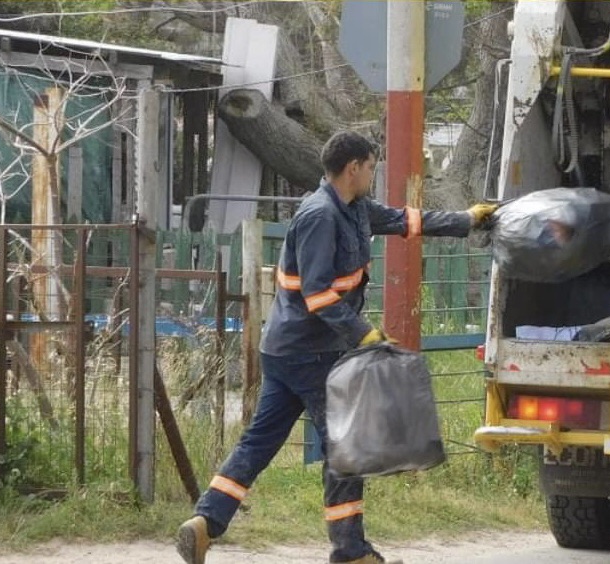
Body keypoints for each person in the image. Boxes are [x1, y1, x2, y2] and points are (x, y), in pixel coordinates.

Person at [176, 131, 497, 564]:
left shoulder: (355, 208)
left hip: (293, 351)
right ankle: (350, 551)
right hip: (307, 353)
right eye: (371, 167)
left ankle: (204, 524)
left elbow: (406, 220)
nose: (373, 174)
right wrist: (363, 333)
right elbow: (318, 294)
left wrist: (468, 219)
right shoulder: (319, 216)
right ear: (353, 169)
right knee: (346, 451)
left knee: (259, 442)